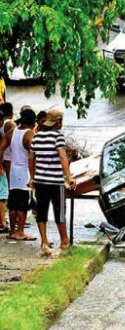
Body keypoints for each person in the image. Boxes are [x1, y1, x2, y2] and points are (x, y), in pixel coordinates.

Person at [30, 109, 75, 256]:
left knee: (41, 212)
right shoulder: (58, 137)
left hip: (40, 181)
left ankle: (44, 243)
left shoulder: (36, 137)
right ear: (58, 122)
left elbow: (31, 159)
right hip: (56, 182)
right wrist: (69, 178)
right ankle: (64, 242)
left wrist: (32, 177)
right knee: (60, 211)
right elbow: (63, 158)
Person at [0, 108, 36, 240]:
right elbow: (34, 155)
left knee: (13, 202)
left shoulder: (11, 132)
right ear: (33, 122)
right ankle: (20, 232)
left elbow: (0, 148)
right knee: (22, 204)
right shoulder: (29, 134)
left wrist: (0, 166)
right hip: (24, 172)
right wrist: (34, 175)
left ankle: (12, 232)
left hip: (13, 172)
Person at [0, 102, 15, 232]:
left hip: (5, 159)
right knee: (6, 191)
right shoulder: (9, 123)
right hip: (8, 159)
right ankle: (5, 221)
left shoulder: (3, 124)